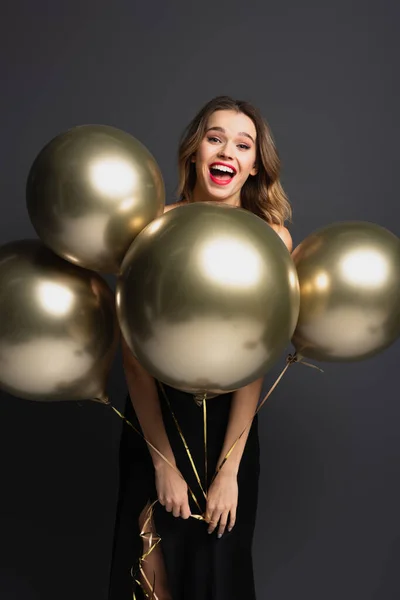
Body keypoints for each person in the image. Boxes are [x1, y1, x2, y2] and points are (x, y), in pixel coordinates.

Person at [108, 95, 293, 600]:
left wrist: (230, 469)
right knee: (150, 578)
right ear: (195, 150)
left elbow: (255, 359)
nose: (226, 151)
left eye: (243, 143)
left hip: (231, 436)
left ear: (254, 165)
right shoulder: (153, 228)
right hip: (156, 425)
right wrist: (162, 463)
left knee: (218, 577)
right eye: (215, 138)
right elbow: (132, 354)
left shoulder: (272, 240)